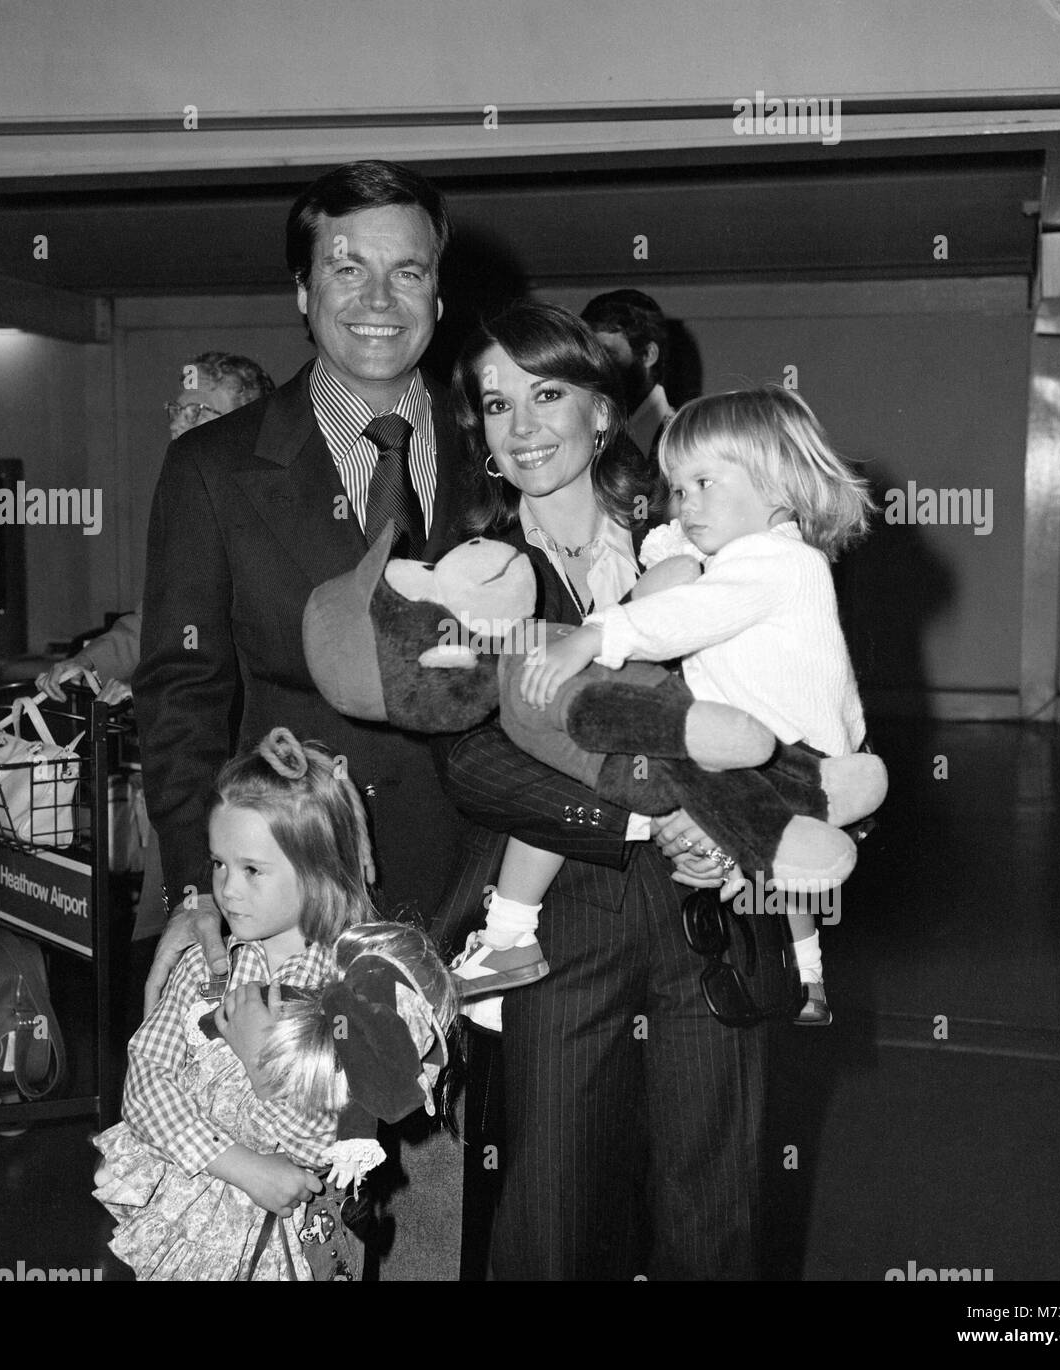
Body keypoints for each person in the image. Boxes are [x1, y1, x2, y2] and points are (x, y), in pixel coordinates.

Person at [133, 161, 470, 1280]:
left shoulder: (500, 458)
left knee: (430, 1201)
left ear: (438, 288)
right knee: (279, 1216)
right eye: (347, 267)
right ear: (301, 289)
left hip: (462, 900)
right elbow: (184, 694)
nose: (378, 297)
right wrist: (196, 886)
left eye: (406, 269)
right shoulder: (214, 470)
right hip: (280, 913)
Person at [428, 299, 764, 1280]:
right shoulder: (473, 572)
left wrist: (728, 820)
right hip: (554, 923)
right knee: (550, 1208)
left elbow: (773, 711)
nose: (522, 425)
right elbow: (472, 762)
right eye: (495, 405)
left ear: (602, 411)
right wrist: (650, 808)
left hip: (703, 912)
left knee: (714, 1203)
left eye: (545, 393)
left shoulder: (697, 534)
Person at [490, 385, 877, 1026]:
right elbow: (679, 559)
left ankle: (507, 933)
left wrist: (595, 634)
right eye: (678, 487)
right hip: (785, 761)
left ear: (778, 485)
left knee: (601, 733)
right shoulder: (757, 554)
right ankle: (806, 974)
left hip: (774, 761)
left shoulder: (775, 563)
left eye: (704, 483)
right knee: (768, 862)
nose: (686, 503)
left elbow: (686, 614)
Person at [93, 728, 458, 1279]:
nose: (227, 890)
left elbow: (329, 1139)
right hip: (198, 1215)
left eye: (252, 870)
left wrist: (261, 1061)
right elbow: (145, 1080)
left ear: (319, 870)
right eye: (219, 864)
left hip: (298, 1241)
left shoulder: (352, 992)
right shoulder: (207, 965)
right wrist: (238, 1165)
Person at [35, 352, 275, 937]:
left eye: (200, 409)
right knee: (182, 915)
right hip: (191, 767)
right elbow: (159, 620)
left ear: (247, 420)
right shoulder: (188, 490)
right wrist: (87, 662)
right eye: (177, 408)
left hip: (253, 753)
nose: (178, 422)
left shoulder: (266, 498)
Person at [581, 289, 675, 461]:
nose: (594, 367)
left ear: (648, 355)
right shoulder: (592, 436)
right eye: (589, 355)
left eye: (607, 354)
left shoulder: (680, 439)